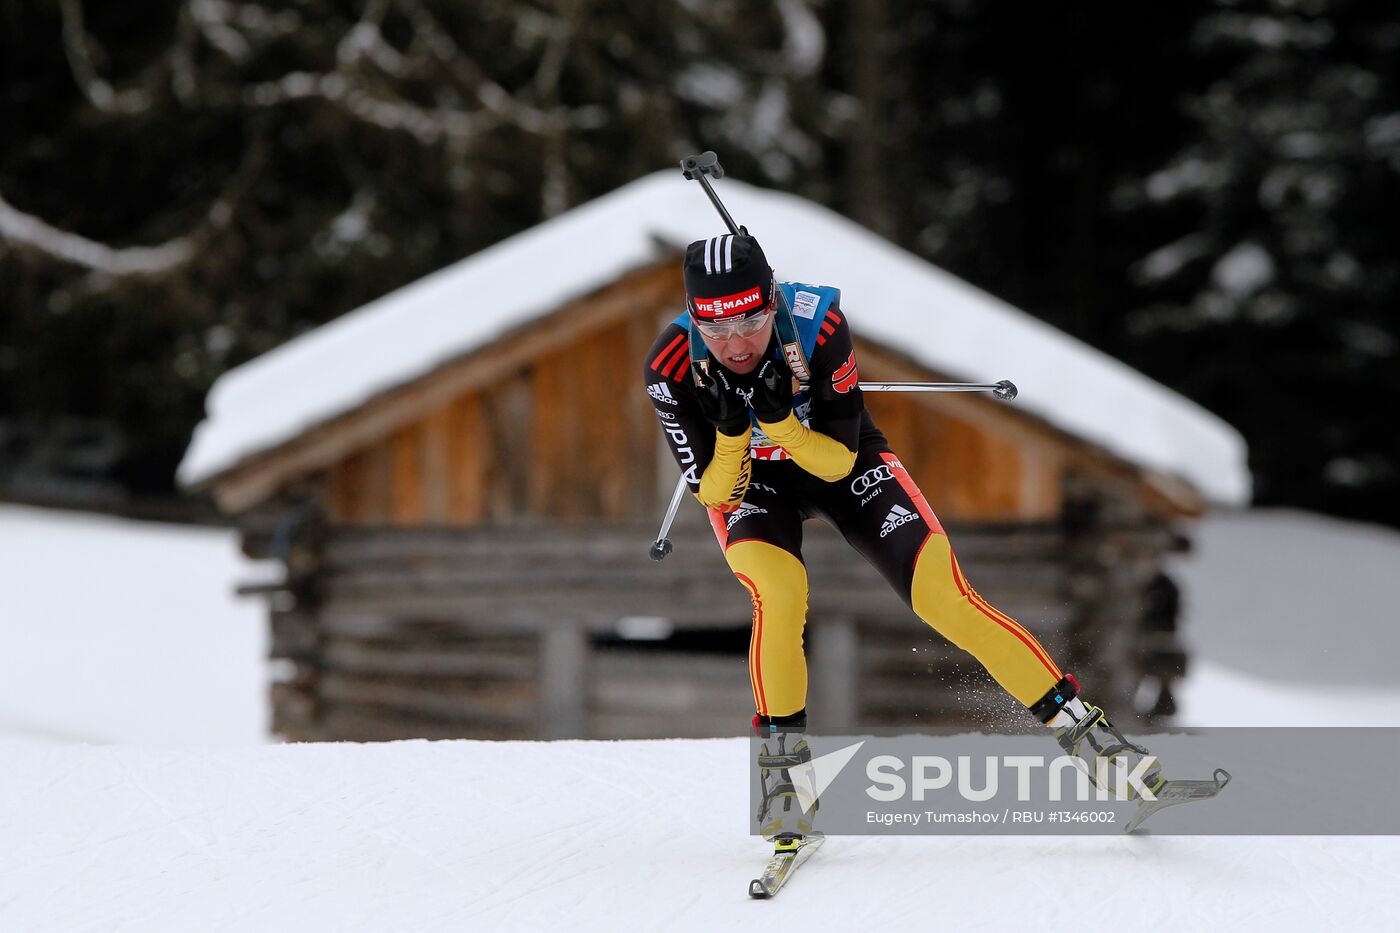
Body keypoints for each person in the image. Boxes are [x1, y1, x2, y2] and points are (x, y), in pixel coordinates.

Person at [643, 233, 1158, 840]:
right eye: (715, 328)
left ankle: (1097, 746)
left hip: (838, 462)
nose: (734, 344)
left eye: (750, 322)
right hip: (751, 482)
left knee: (947, 600)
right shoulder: (672, 363)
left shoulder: (815, 324)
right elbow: (714, 492)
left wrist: (782, 420)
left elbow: (836, 460)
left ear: (771, 301)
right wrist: (732, 434)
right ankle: (784, 783)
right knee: (778, 596)